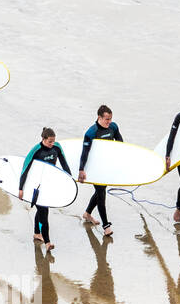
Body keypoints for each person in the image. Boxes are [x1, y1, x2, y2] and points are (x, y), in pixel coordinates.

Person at [18, 128, 74, 250]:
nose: (52, 144)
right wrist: (21, 188)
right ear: (43, 139)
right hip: (36, 186)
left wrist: (70, 180)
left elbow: (64, 163)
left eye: (53, 141)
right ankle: (47, 241)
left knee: (42, 210)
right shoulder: (36, 150)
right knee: (44, 212)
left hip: (49, 184)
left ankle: (37, 233)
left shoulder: (57, 147)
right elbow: (25, 168)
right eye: (49, 141)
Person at [78, 104, 122, 235]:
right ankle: (106, 226)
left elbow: (120, 142)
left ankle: (87, 213)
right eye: (107, 119)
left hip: (106, 166)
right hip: (94, 168)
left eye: (110, 119)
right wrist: (81, 169)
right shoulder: (91, 132)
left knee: (100, 192)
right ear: (99, 117)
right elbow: (84, 153)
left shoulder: (113, 127)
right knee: (101, 194)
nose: (109, 122)